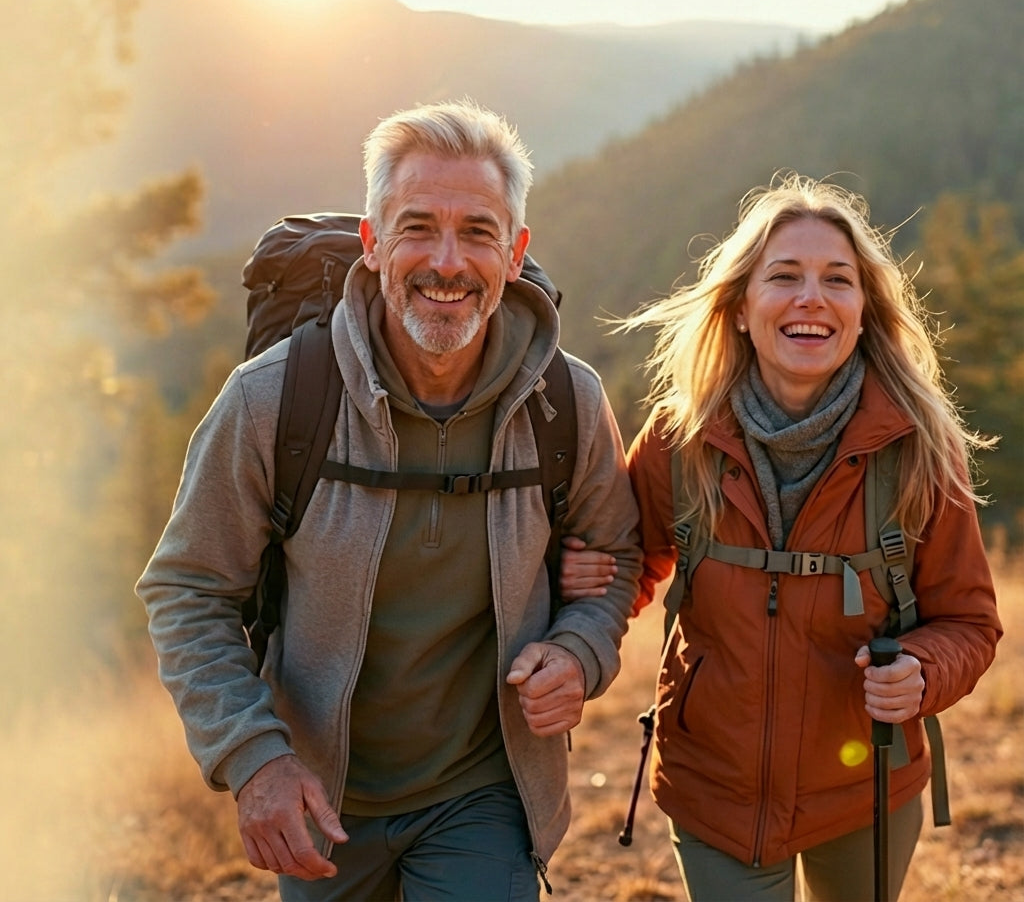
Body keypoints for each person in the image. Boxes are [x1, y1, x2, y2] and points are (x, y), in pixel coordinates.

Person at [137, 100, 642, 902]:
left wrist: (580, 650)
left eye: (477, 231)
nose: (447, 261)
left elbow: (613, 560)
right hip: (321, 798)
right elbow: (188, 589)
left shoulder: (565, 402)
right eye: (417, 227)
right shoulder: (274, 400)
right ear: (372, 246)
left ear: (515, 254)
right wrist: (255, 759)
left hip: (485, 793)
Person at [561, 173, 1002, 901]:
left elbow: (970, 619)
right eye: (784, 277)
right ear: (739, 308)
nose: (811, 298)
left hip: (867, 784)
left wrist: (921, 669)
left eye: (838, 280)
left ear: (864, 311)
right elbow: (626, 556)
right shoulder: (681, 439)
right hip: (714, 788)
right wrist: (589, 582)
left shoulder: (919, 447)